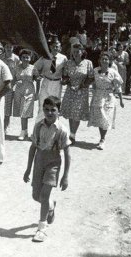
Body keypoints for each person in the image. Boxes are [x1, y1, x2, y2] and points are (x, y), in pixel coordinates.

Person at [23, 96, 70, 243]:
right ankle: (51, 205)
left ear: (59, 112)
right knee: (36, 196)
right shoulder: (38, 126)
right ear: (43, 110)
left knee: (44, 195)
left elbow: (68, 155)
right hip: (39, 162)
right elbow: (33, 148)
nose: (49, 113)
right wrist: (28, 169)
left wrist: (65, 176)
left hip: (53, 163)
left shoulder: (62, 130)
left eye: (53, 110)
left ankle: (42, 229)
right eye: (46, 110)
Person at [88, 52, 124, 150]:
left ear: (109, 61)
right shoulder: (95, 71)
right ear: (99, 60)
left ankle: (102, 139)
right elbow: (89, 81)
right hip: (98, 97)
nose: (104, 61)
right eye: (102, 59)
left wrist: (121, 100)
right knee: (101, 118)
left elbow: (118, 86)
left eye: (106, 59)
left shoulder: (113, 72)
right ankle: (102, 138)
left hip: (109, 97)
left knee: (106, 118)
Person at [60, 43, 94, 142]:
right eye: (73, 52)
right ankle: (72, 134)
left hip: (82, 91)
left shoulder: (88, 63)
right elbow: (65, 76)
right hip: (70, 90)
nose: (75, 54)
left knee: (77, 113)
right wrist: (66, 82)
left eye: (77, 51)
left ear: (82, 52)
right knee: (71, 113)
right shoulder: (69, 63)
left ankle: (73, 135)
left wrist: (82, 85)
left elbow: (91, 77)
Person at [34, 38, 67, 121]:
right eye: (53, 46)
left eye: (57, 46)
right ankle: (39, 126)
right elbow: (35, 68)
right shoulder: (45, 57)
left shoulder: (63, 58)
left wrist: (65, 79)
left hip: (57, 83)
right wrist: (37, 76)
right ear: (50, 47)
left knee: (55, 105)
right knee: (42, 104)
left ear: (60, 48)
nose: (55, 48)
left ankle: (54, 127)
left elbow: (66, 71)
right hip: (46, 81)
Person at [12, 49, 40, 141]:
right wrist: (15, 83)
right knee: (22, 112)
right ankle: (26, 130)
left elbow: (38, 80)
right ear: (20, 58)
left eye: (27, 57)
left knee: (25, 111)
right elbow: (13, 79)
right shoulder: (16, 67)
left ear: (30, 58)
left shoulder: (33, 68)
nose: (25, 59)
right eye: (23, 57)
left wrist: (37, 93)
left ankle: (23, 131)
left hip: (29, 92)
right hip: (18, 92)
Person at [1, 44, 20, 133]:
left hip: (10, 86)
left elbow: (19, 72)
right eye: (7, 47)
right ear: (4, 48)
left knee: (8, 107)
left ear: (13, 48)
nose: (9, 49)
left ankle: (6, 126)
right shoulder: (0, 58)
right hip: (0, 86)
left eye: (10, 47)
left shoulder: (16, 59)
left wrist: (14, 83)